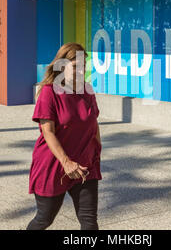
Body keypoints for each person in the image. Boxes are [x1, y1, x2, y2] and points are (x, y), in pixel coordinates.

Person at [26, 42, 102, 230]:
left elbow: (93, 122)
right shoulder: (49, 92)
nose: (81, 71)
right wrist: (66, 162)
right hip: (53, 165)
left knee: (89, 222)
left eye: (84, 66)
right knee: (44, 219)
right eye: (76, 66)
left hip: (85, 165)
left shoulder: (87, 90)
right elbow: (48, 132)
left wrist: (97, 151)